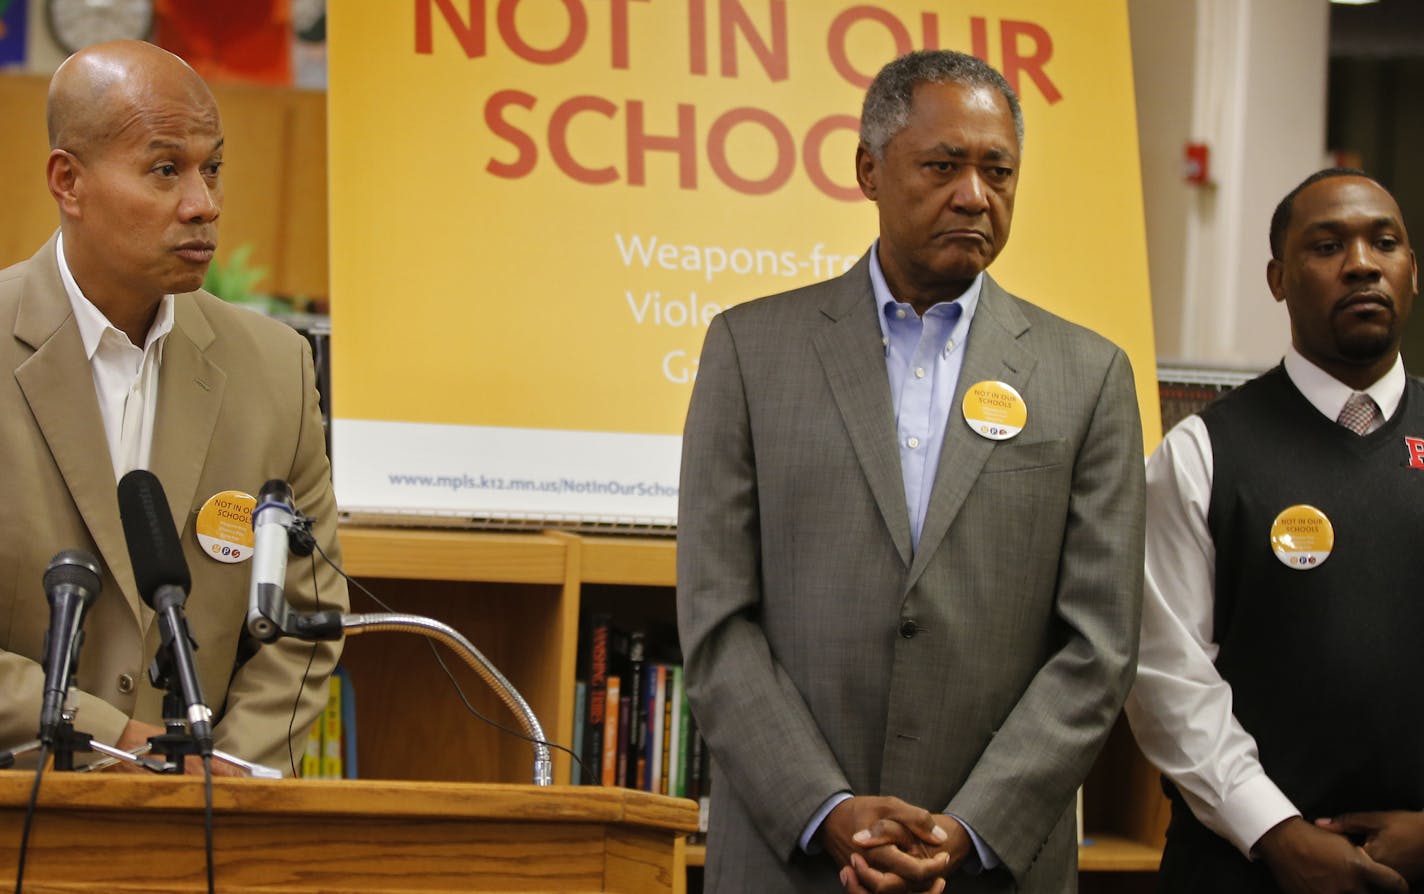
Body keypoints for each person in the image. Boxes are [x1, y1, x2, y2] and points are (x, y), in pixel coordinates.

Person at [677, 49, 1146, 893]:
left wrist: (966, 829)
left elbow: (1099, 647)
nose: (975, 195)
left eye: (998, 170)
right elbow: (717, 622)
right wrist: (828, 810)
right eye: (943, 165)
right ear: (868, 169)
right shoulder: (751, 350)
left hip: (991, 866)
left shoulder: (1089, 377)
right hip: (792, 861)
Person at [0, 40, 346, 776]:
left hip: (204, 835)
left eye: (211, 167)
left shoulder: (276, 370)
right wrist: (115, 740)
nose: (204, 203)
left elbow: (306, 621)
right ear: (69, 181)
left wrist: (221, 773)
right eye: (166, 170)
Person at [1125, 168, 1424, 894]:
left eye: (1384, 242)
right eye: (1326, 245)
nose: (1360, 262)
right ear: (1278, 278)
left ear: (1411, 273)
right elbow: (1165, 673)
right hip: (1243, 869)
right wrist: (1276, 833)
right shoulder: (1201, 452)